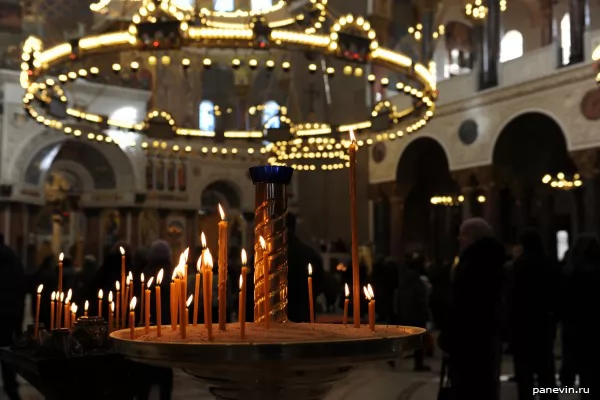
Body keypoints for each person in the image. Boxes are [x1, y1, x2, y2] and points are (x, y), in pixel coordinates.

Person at [439, 218, 505, 400]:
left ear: (473, 237)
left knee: (469, 387)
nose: (459, 239)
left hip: (469, 340)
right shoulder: (491, 260)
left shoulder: (474, 264)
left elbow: (462, 306)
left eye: (463, 235)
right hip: (485, 338)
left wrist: (448, 338)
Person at [508, 229, 558, 399]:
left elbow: (512, 296)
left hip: (523, 324)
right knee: (546, 368)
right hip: (544, 321)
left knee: (525, 371)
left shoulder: (519, 265)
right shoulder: (548, 263)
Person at [561, 235, 600, 399]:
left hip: (578, 330)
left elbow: (565, 307)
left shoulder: (570, 274)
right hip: (595, 328)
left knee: (586, 378)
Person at [135, 240, 174, 400]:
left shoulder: (146, 271)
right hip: (166, 323)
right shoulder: (172, 273)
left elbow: (137, 298)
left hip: (146, 322)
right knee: (164, 366)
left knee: (146, 365)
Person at [0, 233, 25, 400]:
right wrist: (18, 323)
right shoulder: (14, 260)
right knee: (7, 359)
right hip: (8, 318)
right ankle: (12, 392)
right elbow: (20, 291)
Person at [286, 213, 325, 322]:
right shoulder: (309, 254)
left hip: (279, 320)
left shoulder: (266, 257)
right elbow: (320, 285)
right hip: (303, 315)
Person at [394, 255, 430, 371]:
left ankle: (393, 357)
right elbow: (421, 300)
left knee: (405, 338)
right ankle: (418, 364)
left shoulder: (403, 281)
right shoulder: (417, 282)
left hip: (405, 314)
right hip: (416, 315)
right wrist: (425, 314)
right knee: (418, 340)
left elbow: (399, 298)